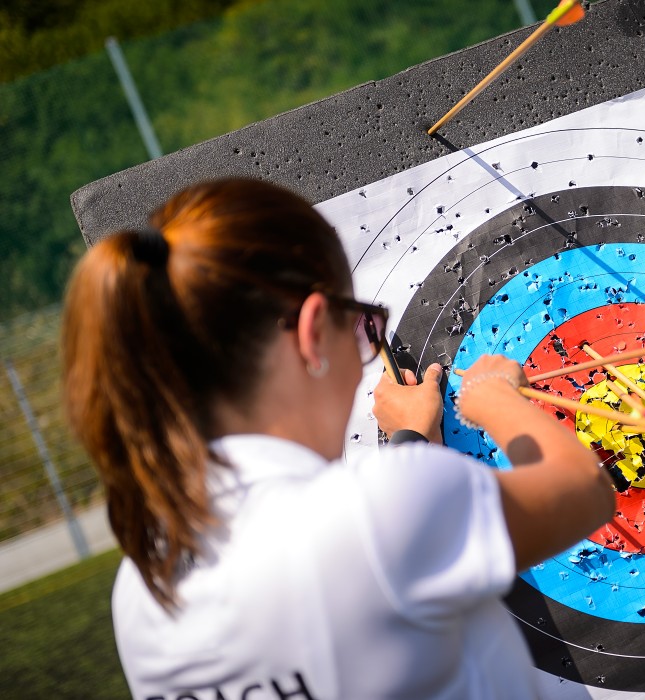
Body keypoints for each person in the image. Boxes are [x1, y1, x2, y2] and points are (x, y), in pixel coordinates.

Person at [62, 177, 615, 700]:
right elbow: (583, 488)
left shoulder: (140, 592)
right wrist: (497, 401)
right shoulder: (377, 510)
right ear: (312, 332)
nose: (364, 360)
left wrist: (409, 444)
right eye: (361, 327)